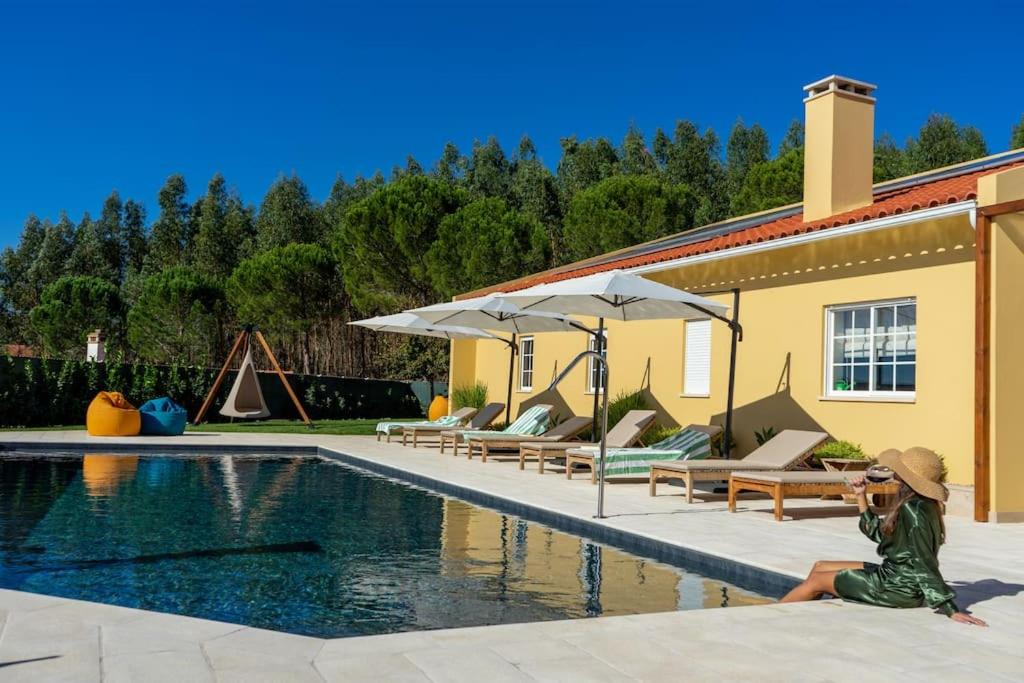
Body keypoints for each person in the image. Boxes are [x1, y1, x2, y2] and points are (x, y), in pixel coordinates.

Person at [779, 447, 986, 626]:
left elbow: (923, 561)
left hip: (897, 588)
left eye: (899, 468)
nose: (894, 470)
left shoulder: (913, 510)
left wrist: (949, 608)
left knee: (816, 581)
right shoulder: (916, 503)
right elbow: (879, 534)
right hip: (892, 574)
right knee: (820, 566)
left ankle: (775, 614)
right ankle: (800, 614)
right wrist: (861, 495)